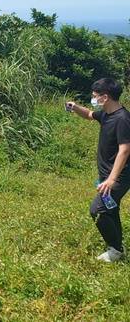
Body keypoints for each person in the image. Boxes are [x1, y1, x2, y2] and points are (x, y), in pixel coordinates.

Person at [66, 78, 130, 262]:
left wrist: (111, 180)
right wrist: (75, 107)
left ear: (105, 97)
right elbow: (89, 114)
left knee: (98, 210)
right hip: (106, 175)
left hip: (118, 177)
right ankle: (118, 246)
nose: (93, 99)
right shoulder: (106, 115)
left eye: (95, 97)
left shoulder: (123, 119)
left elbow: (125, 150)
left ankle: (115, 251)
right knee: (111, 208)